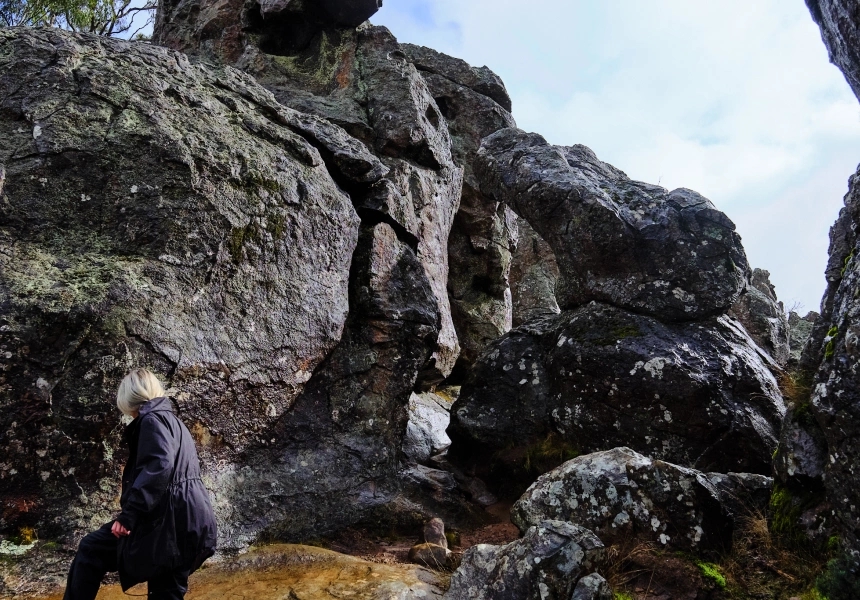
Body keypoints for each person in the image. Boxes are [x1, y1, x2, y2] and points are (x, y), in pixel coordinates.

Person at [63, 368, 217, 600]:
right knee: (166, 591)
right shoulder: (174, 422)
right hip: (191, 523)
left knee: (91, 548)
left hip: (170, 526)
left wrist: (129, 515)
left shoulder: (151, 421)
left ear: (127, 400)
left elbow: (160, 465)